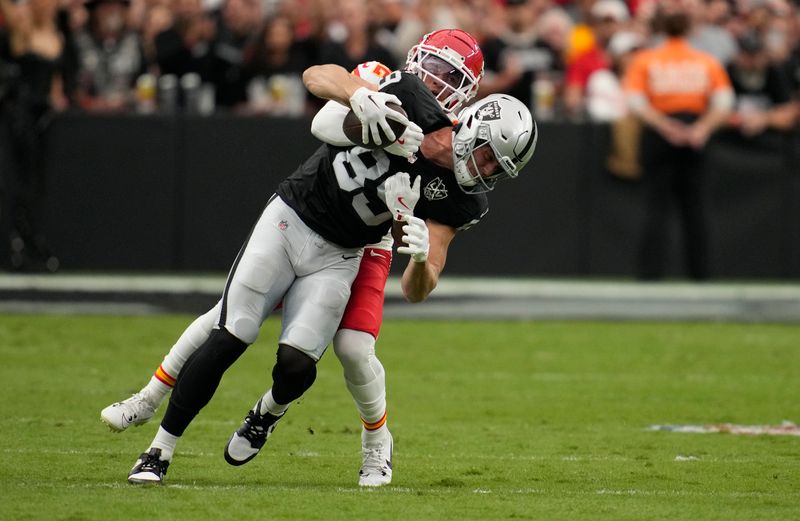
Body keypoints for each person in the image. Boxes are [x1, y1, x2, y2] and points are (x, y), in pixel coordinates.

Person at [108, 36, 535, 487]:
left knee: (305, 360)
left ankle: (279, 416)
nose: (485, 170)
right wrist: (364, 101)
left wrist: (420, 254)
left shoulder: (463, 199)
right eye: (488, 157)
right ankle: (157, 445)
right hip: (295, 214)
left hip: (347, 251)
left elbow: (417, 288)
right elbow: (321, 97)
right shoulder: (405, 92)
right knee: (231, 328)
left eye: (495, 169)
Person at [623, 0, 733, 280]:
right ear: (691, 29)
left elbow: (635, 101)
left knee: (656, 208)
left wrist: (664, 126)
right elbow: (723, 101)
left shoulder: (646, 59)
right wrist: (702, 129)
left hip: (661, 133)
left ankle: (649, 277)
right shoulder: (705, 61)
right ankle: (702, 277)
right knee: (696, 210)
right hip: (694, 133)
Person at [0, 0, 68, 271]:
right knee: (17, 182)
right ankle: (15, 243)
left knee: (35, 184)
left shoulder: (55, 35)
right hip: (20, 117)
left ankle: (29, 241)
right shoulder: (24, 30)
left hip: (44, 119)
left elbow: (55, 78)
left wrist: (57, 97)